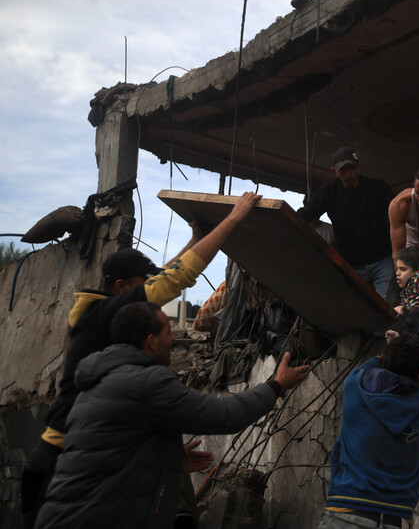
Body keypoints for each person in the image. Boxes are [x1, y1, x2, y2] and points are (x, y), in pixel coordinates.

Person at [21, 192, 262, 527]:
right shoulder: (105, 315)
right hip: (63, 458)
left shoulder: (102, 311)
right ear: (122, 288)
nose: (149, 294)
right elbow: (175, 280)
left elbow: (164, 277)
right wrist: (232, 220)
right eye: (140, 286)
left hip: (72, 453)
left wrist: (196, 238)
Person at [35, 302, 311, 529]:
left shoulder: (97, 385)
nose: (173, 338)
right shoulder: (144, 382)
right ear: (151, 341)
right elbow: (227, 415)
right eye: (168, 331)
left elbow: (108, 455)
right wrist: (276, 385)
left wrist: (167, 459)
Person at [318, 292, 419, 528]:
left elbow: (377, 361)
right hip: (394, 519)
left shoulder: (355, 385)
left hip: (342, 512)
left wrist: (395, 343)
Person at [297, 146, 396, 299]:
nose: (348, 174)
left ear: (359, 167)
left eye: (351, 168)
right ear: (334, 171)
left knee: (388, 305)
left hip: (382, 260)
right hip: (350, 264)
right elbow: (305, 214)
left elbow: (398, 213)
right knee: (354, 306)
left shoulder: (376, 187)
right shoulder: (329, 192)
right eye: (343, 170)